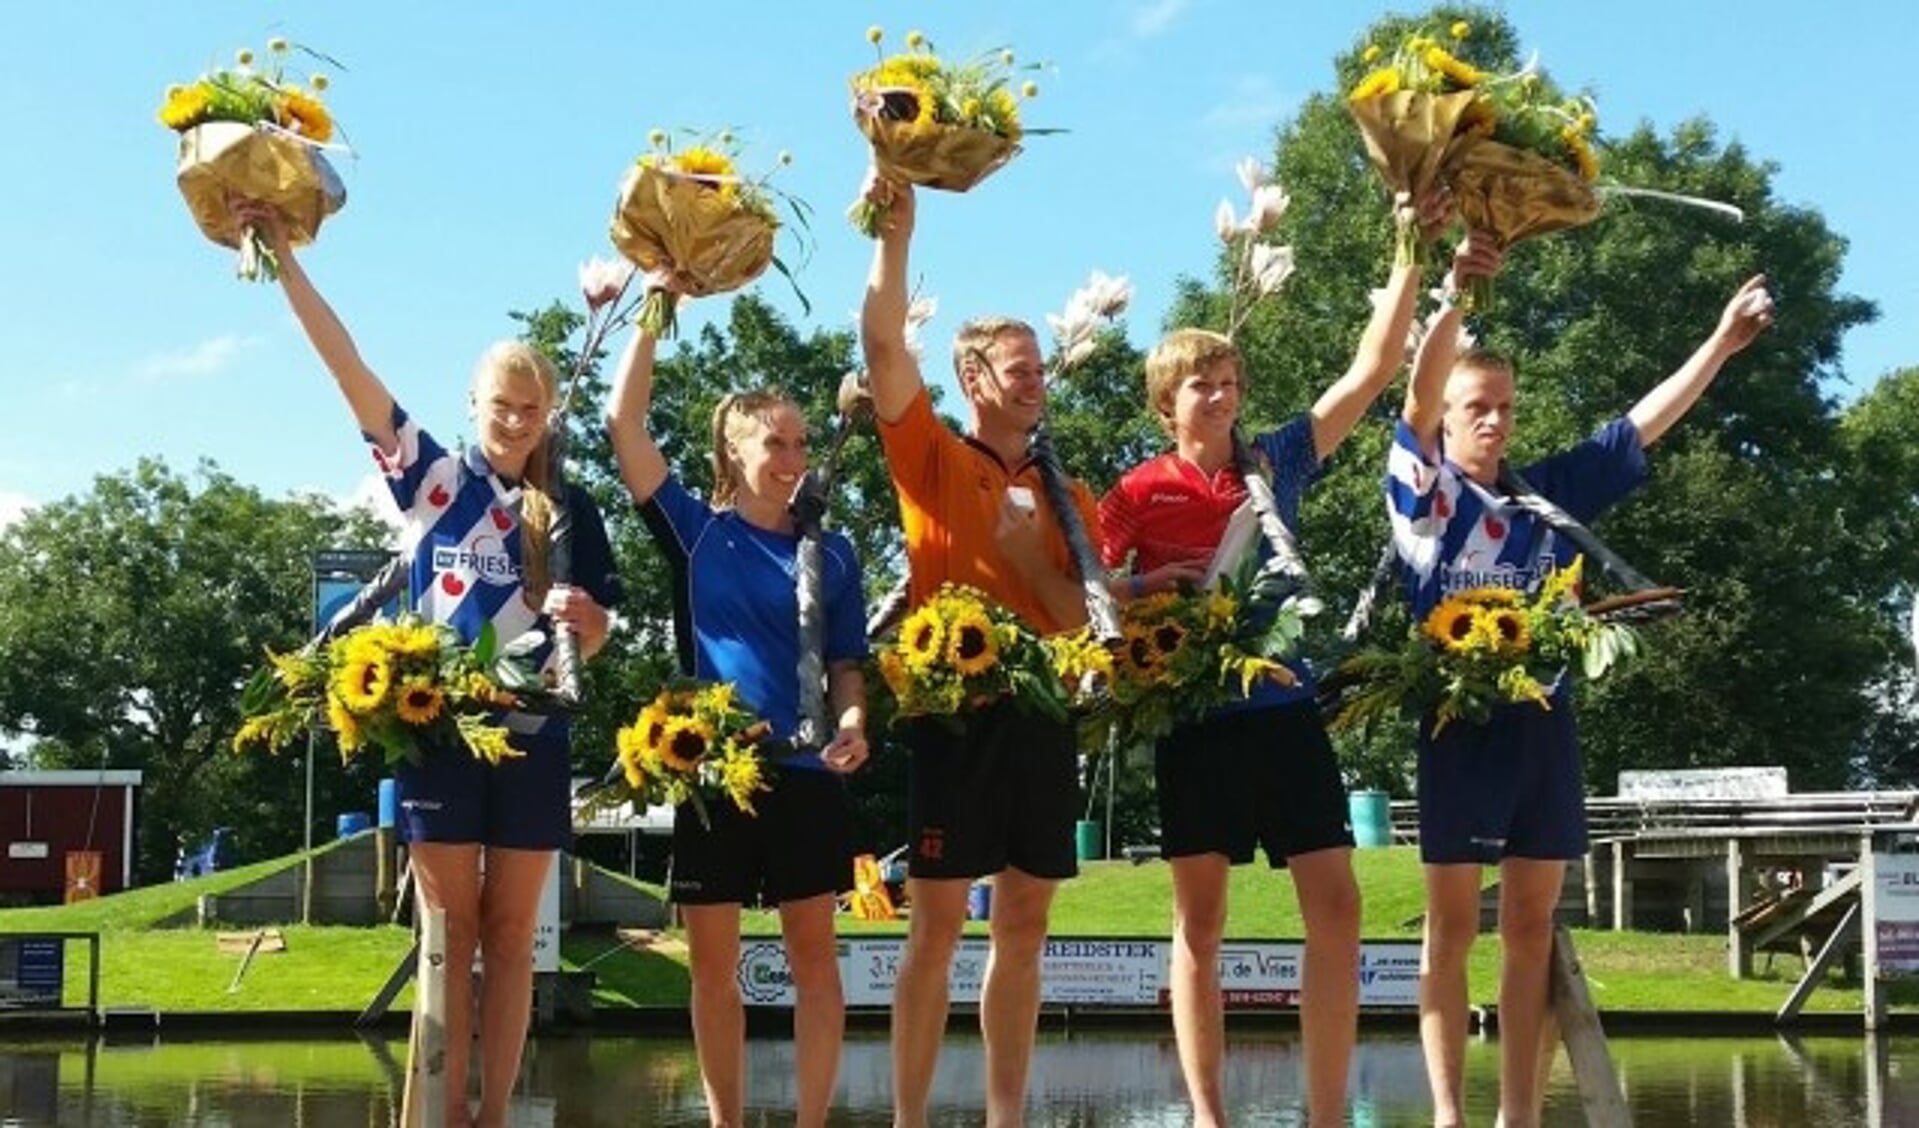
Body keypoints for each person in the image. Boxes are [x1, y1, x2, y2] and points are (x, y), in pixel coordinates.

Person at [237, 203, 620, 1128]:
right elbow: (349, 369)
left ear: (549, 415)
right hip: (437, 731)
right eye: (502, 408)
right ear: (473, 407)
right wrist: (285, 263)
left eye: (532, 412)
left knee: (514, 933)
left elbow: (592, 636)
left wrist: (588, 620)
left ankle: (495, 1115)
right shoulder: (434, 481)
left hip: (532, 732)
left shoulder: (570, 511)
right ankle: (440, 1111)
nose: (517, 424)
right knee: (448, 932)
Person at [1388, 238, 1773, 1128]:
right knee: (1448, 931)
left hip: (1543, 730)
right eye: (1476, 407)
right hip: (1456, 730)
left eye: (1505, 408)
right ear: (1447, 419)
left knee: (1528, 929)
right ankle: (1448, 1113)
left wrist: (1717, 344)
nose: (1493, 421)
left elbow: (1637, 427)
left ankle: (1516, 1113)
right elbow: (1411, 397)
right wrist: (1452, 292)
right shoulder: (1422, 495)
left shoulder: (1546, 497)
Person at [1098, 192, 1456, 1127]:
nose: (1218, 398)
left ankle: (1326, 1113)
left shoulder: (1276, 461)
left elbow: (1372, 369)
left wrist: (1409, 239)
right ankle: (1210, 1118)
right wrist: (1149, 588)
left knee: (1335, 907)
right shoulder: (1134, 489)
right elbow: (1082, 591)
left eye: (1228, 381)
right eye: (1199, 386)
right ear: (1165, 401)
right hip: (1192, 720)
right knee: (1200, 924)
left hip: (1284, 707)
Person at [859, 172, 1122, 1128]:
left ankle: (1007, 1118)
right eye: (1018, 367)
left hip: (1042, 719)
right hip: (952, 716)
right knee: (933, 926)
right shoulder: (932, 454)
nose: (1035, 378)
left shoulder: (1068, 494)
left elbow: (1070, 616)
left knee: (1024, 923)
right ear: (974, 380)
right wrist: (896, 235)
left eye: (1040, 365)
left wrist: (1025, 556)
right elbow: (883, 342)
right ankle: (909, 1119)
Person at [605, 287, 870, 1128]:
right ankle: (724, 1121)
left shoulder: (832, 548)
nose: (792, 457)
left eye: (799, 441)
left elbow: (845, 663)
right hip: (715, 775)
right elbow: (623, 426)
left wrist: (855, 722)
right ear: (732, 446)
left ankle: (812, 1121)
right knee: (712, 969)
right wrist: (656, 305)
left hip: (806, 773)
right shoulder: (695, 530)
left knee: (816, 967)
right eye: (774, 442)